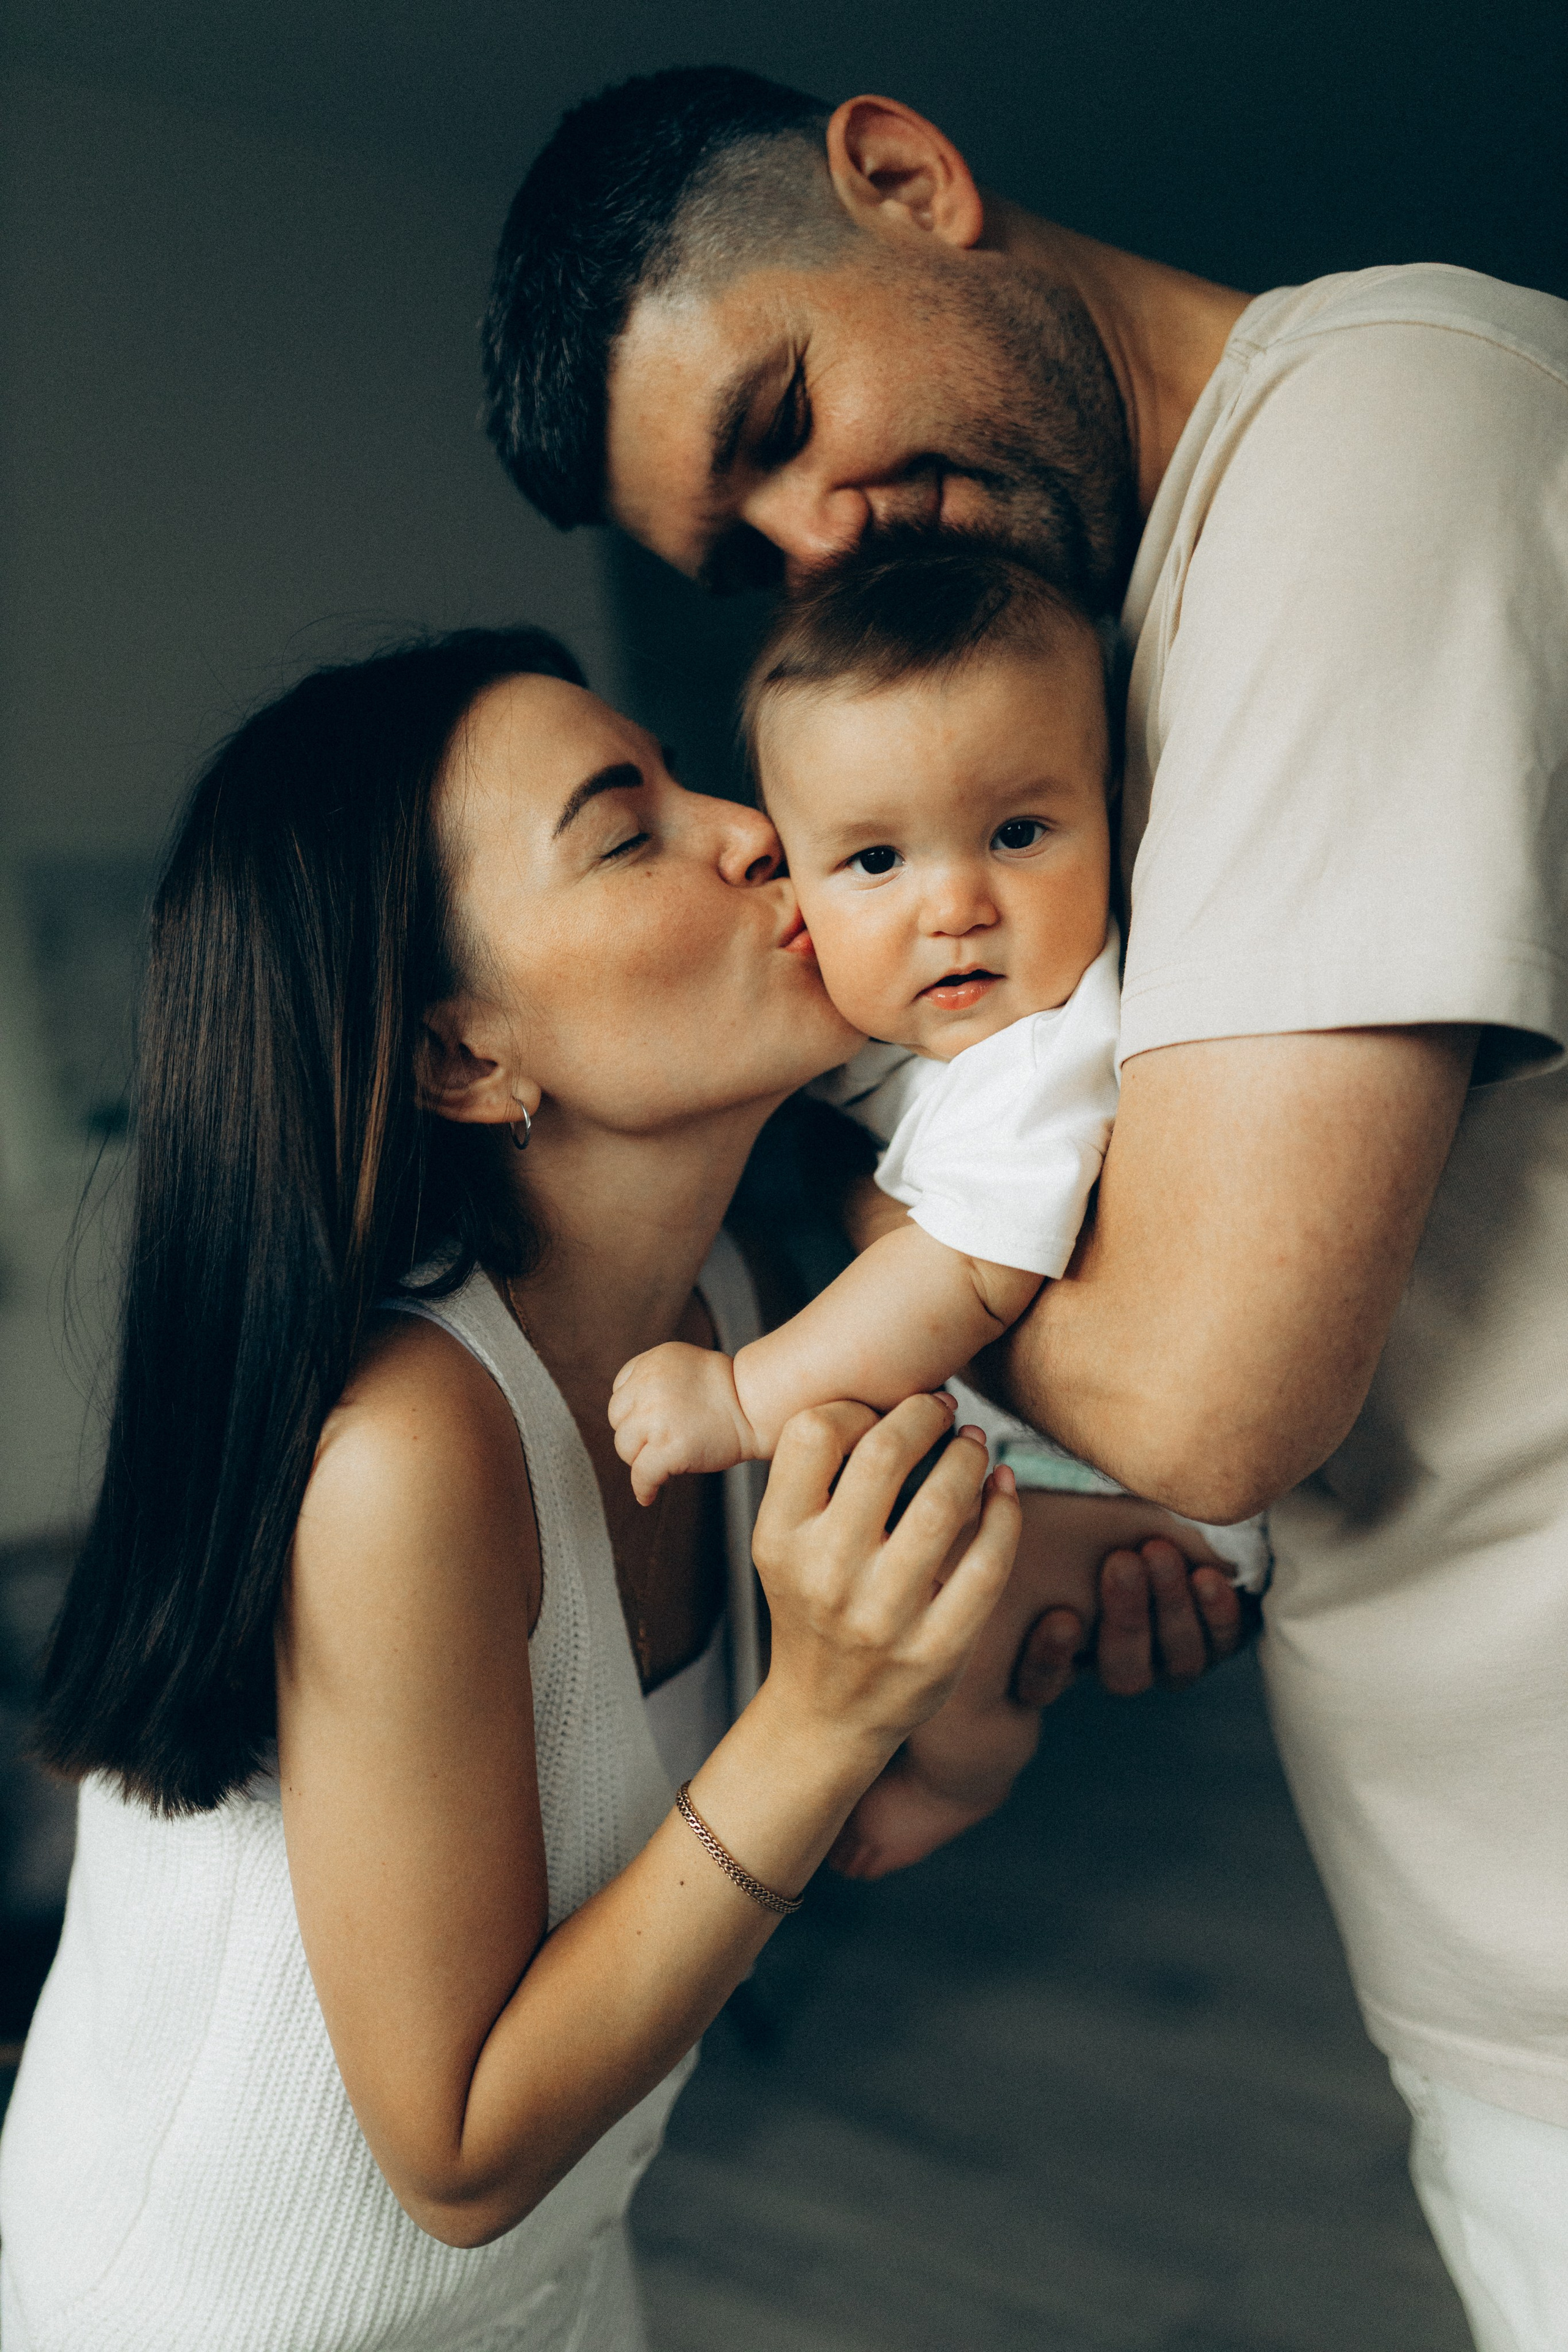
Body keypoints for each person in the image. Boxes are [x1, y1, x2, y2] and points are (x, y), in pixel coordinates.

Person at [481, 66, 1568, 2350]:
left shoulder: (1370, 436)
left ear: (906, 180)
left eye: (782, 415)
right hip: (1479, 1927)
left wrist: (914, 1266)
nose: (816, 538)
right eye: (741, 549)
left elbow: (1209, 1377)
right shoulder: (1089, 675)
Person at [0, 627, 1028, 2352]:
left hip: (550, 2283)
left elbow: (831, 1830)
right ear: (464, 1059)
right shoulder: (411, 1454)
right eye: (628, 830)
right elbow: (456, 2150)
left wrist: (1029, 1602)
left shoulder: (731, 1333)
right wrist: (829, 1708)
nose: (753, 827)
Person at [611, 533, 1268, 1877]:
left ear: (1112, 815)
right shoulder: (909, 1026)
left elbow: (962, 1276)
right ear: (793, 878)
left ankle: (961, 1780)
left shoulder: (1045, 1060)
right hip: (1028, 1446)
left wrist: (744, 1398)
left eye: (1018, 834)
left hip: (1123, 1495)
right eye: (872, 862)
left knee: (945, 1604)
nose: (955, 905)